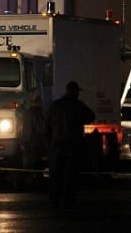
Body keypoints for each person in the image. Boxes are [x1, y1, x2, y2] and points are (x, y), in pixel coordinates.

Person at [44, 80, 96, 210]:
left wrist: (49, 145)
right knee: (70, 176)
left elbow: (47, 127)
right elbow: (91, 116)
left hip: (56, 146)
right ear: (75, 92)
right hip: (73, 146)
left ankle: (53, 200)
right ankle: (67, 202)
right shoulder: (78, 106)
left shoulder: (55, 106)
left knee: (55, 175)